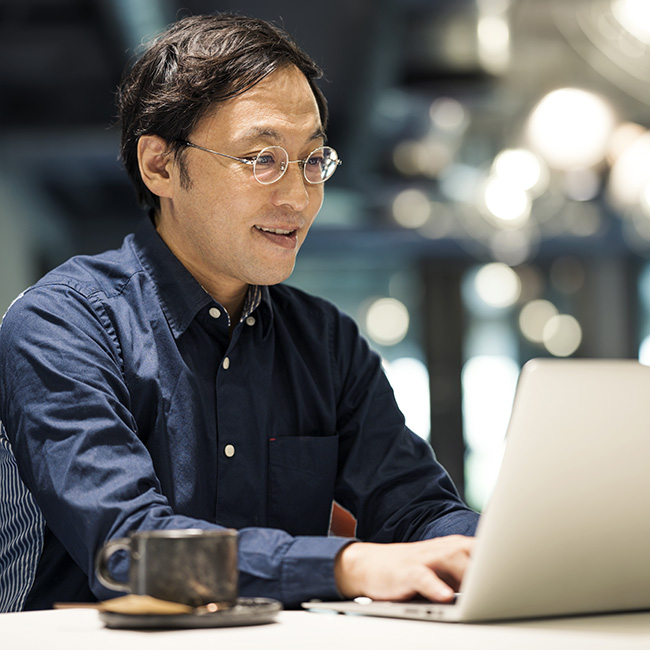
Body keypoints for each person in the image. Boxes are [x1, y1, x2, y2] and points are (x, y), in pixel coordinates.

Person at [0, 13, 478, 613]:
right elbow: (131, 553)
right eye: (262, 158)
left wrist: (497, 550)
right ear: (160, 166)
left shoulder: (325, 342)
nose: (299, 197)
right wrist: (347, 563)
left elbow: (419, 509)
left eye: (312, 161)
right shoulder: (63, 325)